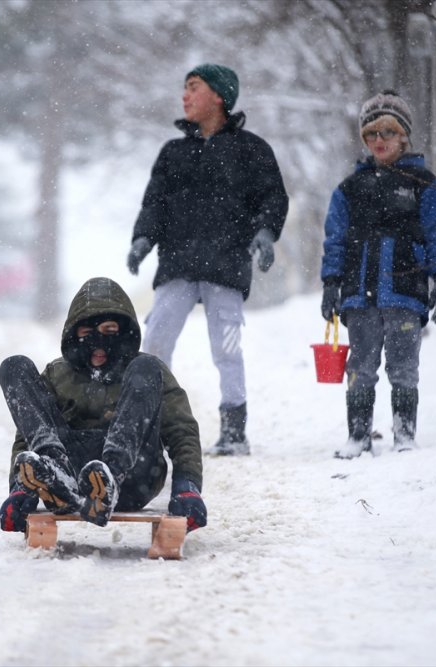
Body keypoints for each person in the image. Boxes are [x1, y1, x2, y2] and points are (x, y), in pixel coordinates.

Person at [127, 64, 289, 457]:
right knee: (155, 344)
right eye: (184, 88)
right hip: (177, 266)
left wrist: (266, 233)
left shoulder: (251, 150)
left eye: (193, 88)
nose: (184, 96)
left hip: (226, 268)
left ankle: (235, 430)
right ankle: (148, 426)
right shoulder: (173, 153)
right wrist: (142, 239)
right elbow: (155, 203)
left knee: (227, 350)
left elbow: (272, 197)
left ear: (219, 96)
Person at [0, 277, 207, 533]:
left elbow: (181, 430)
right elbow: (28, 434)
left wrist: (188, 487)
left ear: (124, 333)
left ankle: (110, 479)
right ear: (74, 335)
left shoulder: (146, 372)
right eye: (87, 334)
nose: (98, 343)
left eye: (109, 333)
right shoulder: (57, 375)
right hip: (70, 472)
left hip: (134, 477)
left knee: (147, 367)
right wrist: (20, 490)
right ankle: (56, 475)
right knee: (14, 367)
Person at [319, 90, 436, 458]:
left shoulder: (424, 184)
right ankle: (358, 435)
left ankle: (404, 433)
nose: (379, 141)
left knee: (403, 367)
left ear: (404, 136)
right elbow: (335, 239)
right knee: (360, 367)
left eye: (388, 132)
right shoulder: (350, 188)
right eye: (371, 134)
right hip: (359, 295)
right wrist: (331, 283)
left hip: (405, 292)